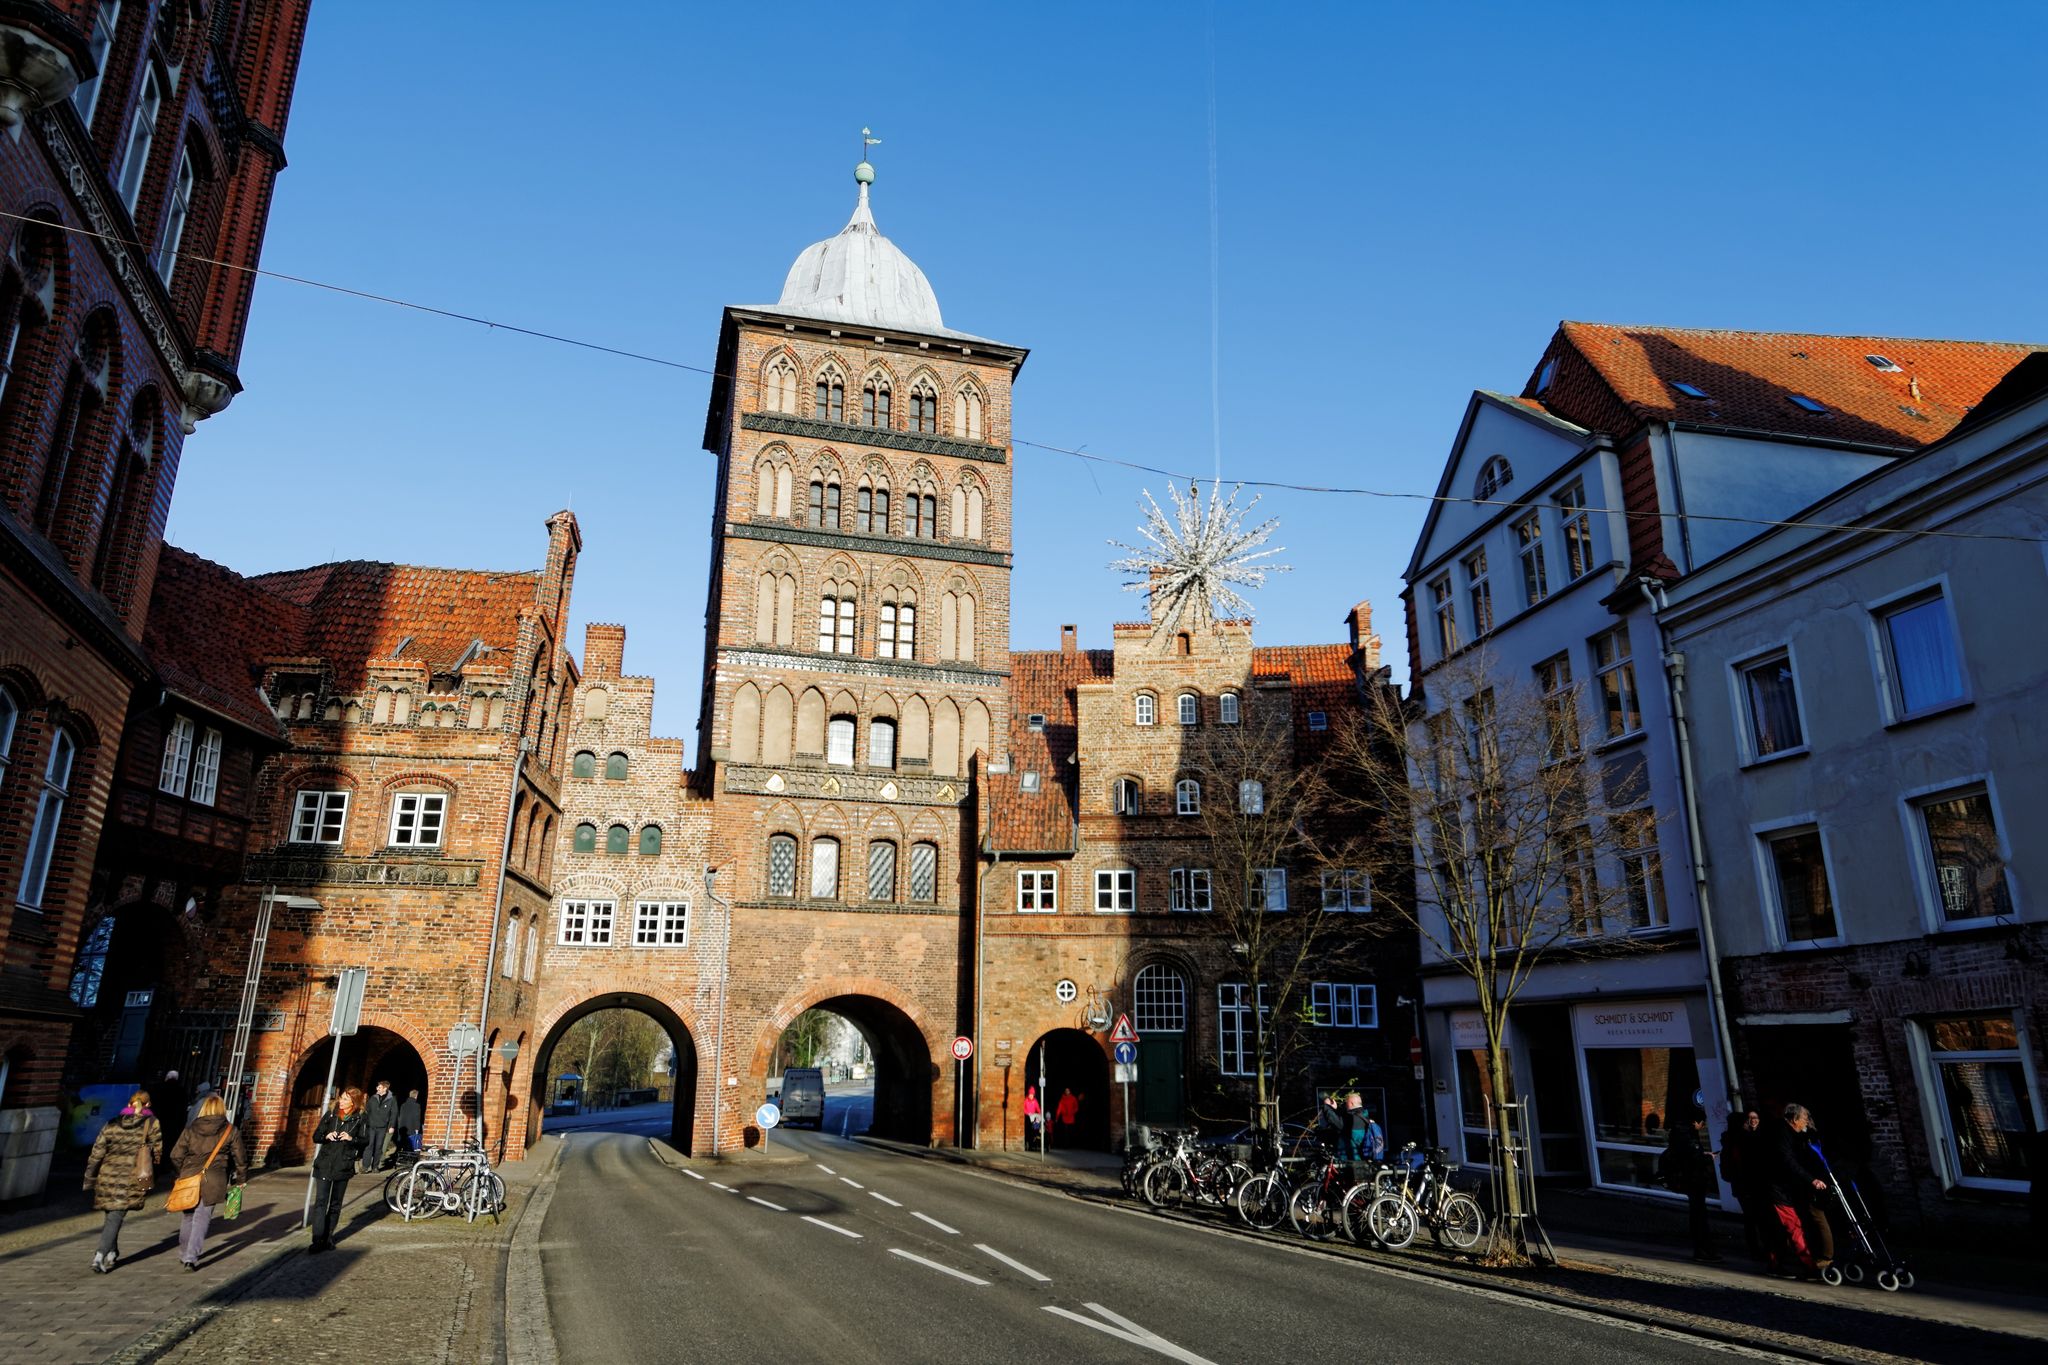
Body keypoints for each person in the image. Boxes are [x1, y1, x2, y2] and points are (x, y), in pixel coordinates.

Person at [83, 1089, 161, 1274]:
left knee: (113, 1213)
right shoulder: (151, 1124)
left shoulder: (112, 1123)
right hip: (131, 1176)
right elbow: (157, 1151)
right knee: (115, 1215)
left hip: (108, 1174)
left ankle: (112, 1251)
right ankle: (100, 1255)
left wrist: (90, 1176)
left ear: (129, 1104)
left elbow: (97, 1152)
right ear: (148, 1105)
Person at [167, 1093, 246, 1270]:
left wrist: (183, 1172)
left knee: (188, 1216)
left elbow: (175, 1155)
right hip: (215, 1178)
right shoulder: (229, 1130)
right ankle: (191, 1257)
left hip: (189, 1175)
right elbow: (240, 1158)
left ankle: (183, 1252)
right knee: (202, 1218)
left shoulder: (191, 1129)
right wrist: (240, 1179)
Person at [1764, 1103, 1833, 1277]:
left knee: (1782, 1229)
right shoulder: (1782, 1134)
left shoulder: (1789, 1134)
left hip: (1784, 1188)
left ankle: (1777, 1263)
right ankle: (1808, 1266)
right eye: (1804, 1119)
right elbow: (1788, 1161)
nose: (1806, 1122)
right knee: (1793, 1227)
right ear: (1795, 1119)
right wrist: (1811, 1180)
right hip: (1778, 1189)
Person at [309, 1088, 368, 1252]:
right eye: (341, 1098)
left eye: (345, 1099)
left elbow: (365, 1141)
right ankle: (317, 1239)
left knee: (335, 1204)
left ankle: (328, 1237)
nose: (340, 1101)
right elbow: (316, 1136)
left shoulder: (360, 1118)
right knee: (321, 1202)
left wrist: (351, 1139)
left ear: (353, 1102)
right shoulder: (330, 1114)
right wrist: (326, 1136)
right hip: (325, 1163)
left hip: (343, 1164)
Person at [1663, 1108, 1722, 1262]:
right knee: (1699, 1216)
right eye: (1702, 1123)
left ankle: (1703, 1249)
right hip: (1694, 1180)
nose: (1702, 1126)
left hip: (1690, 1180)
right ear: (1695, 1121)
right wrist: (1708, 1158)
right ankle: (1703, 1250)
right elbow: (1692, 1158)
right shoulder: (1688, 1135)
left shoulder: (1680, 1133)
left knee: (1697, 1215)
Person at [1720, 1109, 1769, 1259]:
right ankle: (1760, 1248)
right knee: (1756, 1217)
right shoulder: (1742, 1141)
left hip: (1741, 1185)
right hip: (1748, 1185)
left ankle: (1757, 1248)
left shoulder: (1730, 1140)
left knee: (1750, 1218)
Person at [361, 1080, 398, 1172]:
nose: (377, 1088)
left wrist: (391, 1126)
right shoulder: (373, 1098)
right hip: (371, 1126)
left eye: (379, 1087)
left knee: (378, 1147)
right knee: (369, 1146)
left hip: (382, 1127)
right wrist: (365, 1122)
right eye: (377, 1087)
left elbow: (394, 1113)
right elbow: (367, 1111)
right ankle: (365, 1167)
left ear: (385, 1088)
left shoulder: (391, 1099)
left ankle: (375, 1167)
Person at [1345, 1093, 1386, 1162]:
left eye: (1346, 1104)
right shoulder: (1370, 1121)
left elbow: (1356, 1141)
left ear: (1351, 1103)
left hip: (1361, 1162)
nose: (1346, 1106)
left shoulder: (1354, 1120)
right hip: (1375, 1159)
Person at [155, 1070, 188, 1152]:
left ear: (167, 1077)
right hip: (174, 1123)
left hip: (160, 1120)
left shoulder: (159, 1089)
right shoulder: (182, 1091)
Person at [395, 1087, 424, 1156]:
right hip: (412, 1126)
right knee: (410, 1143)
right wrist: (417, 1128)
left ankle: (402, 1157)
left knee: (403, 1143)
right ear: (416, 1096)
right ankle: (409, 1157)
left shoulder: (403, 1105)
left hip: (403, 1126)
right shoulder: (416, 1106)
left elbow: (400, 1116)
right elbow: (417, 1117)